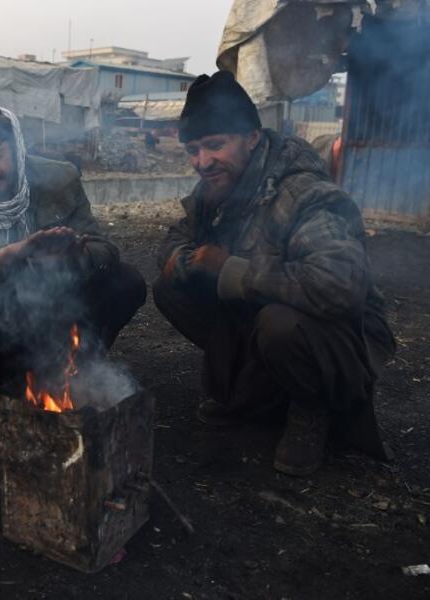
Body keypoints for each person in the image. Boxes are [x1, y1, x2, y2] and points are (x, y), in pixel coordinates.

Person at [152, 72, 395, 476]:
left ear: (251, 138)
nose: (202, 162)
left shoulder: (304, 194)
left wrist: (231, 269)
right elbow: (175, 238)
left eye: (215, 145)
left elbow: (338, 285)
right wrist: (183, 259)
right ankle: (249, 392)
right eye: (193, 150)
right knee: (172, 287)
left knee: (279, 324)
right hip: (265, 318)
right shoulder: (216, 189)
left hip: (340, 336)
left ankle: (311, 409)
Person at [0, 104, 146, 406]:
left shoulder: (59, 178)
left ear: (16, 147)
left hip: (55, 300)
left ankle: (78, 366)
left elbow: (104, 247)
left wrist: (74, 257)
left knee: (125, 281)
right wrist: (11, 254)